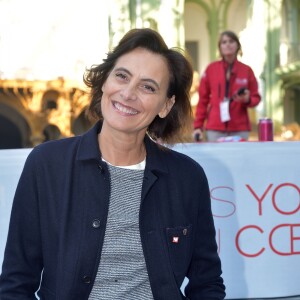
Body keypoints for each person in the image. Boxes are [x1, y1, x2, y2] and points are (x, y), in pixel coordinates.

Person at [0, 28, 225, 299]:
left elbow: (207, 282)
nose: (128, 93)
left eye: (147, 87)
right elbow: (16, 282)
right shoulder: (47, 165)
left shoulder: (187, 177)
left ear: (165, 105)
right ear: (105, 81)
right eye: (122, 76)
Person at [193, 30, 261, 142]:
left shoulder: (247, 70)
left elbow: (256, 98)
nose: (228, 44)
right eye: (224, 42)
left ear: (238, 45)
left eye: (231, 41)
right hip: (215, 128)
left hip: (240, 128)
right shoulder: (211, 69)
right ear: (220, 47)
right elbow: (203, 101)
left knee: (241, 159)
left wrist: (248, 99)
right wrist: (198, 127)